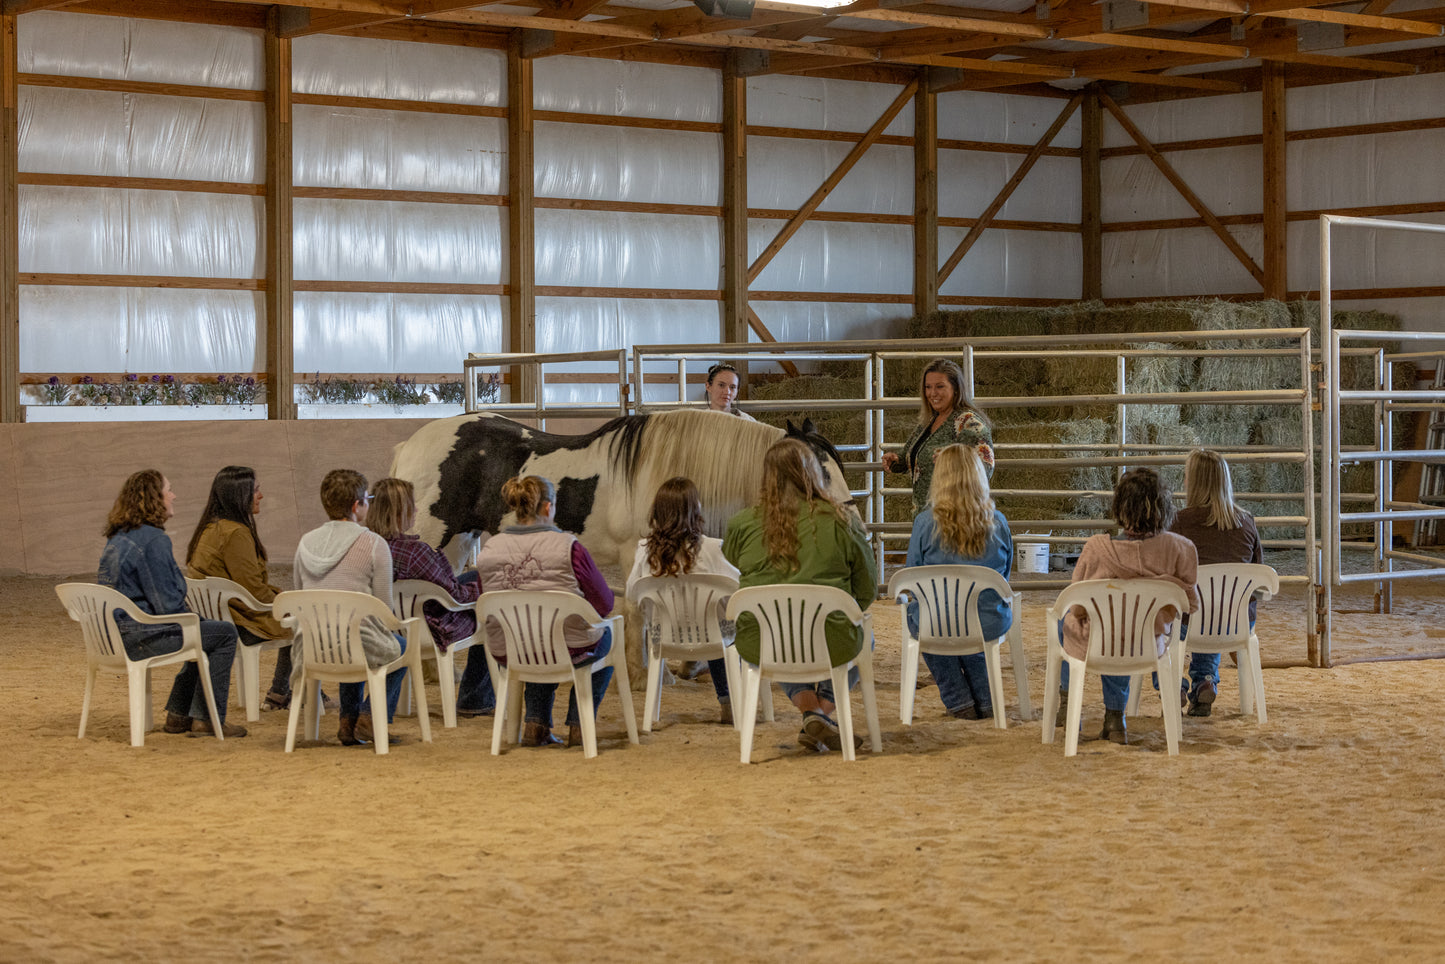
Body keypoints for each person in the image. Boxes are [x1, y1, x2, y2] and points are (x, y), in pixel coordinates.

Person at [723, 438, 878, 753]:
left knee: (780, 635)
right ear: (814, 474)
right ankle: (822, 711)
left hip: (764, 642)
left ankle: (812, 714)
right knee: (864, 637)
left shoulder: (742, 523)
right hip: (832, 640)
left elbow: (732, 559)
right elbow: (867, 590)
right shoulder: (843, 521)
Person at [1056, 467, 1199, 745]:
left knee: (1078, 624)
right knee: (1121, 630)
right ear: (1164, 508)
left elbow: (1077, 606)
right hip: (1149, 642)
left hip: (1100, 642)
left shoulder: (1096, 548)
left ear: (1119, 506)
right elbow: (1189, 604)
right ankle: (1115, 717)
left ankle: (1068, 701)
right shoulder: (1181, 549)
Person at [98, 469, 244, 737]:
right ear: (154, 498)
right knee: (222, 633)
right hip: (141, 636)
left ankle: (179, 715)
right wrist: (194, 618)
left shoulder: (117, 538)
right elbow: (168, 606)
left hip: (112, 636)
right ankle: (208, 718)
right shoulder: (154, 541)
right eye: (169, 490)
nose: (173, 495)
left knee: (202, 631)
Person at [477, 475, 615, 748]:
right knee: (605, 635)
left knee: (535, 639)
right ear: (548, 507)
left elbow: (485, 598)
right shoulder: (569, 547)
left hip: (510, 647)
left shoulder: (489, 548)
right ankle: (579, 725)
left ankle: (535, 723)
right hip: (569, 646)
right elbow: (604, 604)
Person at [293, 469, 408, 746]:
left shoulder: (305, 542)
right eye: (367, 499)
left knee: (350, 634)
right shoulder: (373, 544)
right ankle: (368, 716)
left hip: (311, 645)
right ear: (357, 506)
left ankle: (348, 722)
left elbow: (298, 593)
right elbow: (384, 608)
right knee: (398, 646)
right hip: (355, 641)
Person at [366, 477, 493, 720]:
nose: (416, 510)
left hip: (390, 624)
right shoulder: (417, 553)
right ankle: (475, 698)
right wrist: (481, 592)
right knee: (489, 608)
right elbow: (454, 595)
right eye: (412, 505)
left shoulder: (367, 547)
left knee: (473, 575)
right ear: (401, 511)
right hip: (431, 626)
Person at [904, 445, 1013, 721]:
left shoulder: (924, 523)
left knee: (925, 621)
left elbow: (912, 576)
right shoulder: (998, 523)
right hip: (987, 621)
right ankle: (987, 699)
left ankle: (958, 700)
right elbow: (1005, 574)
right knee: (972, 625)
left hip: (936, 622)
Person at [625, 477, 740, 725]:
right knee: (724, 627)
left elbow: (632, 593)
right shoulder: (712, 548)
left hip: (662, 636)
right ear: (695, 509)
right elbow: (735, 589)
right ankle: (728, 700)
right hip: (711, 637)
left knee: (716, 624)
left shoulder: (644, 550)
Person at [185, 465, 293, 712]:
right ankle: (282, 691)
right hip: (240, 620)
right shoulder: (236, 533)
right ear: (240, 495)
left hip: (219, 616)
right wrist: (287, 601)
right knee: (302, 621)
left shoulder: (211, 528)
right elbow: (253, 589)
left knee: (293, 611)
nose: (260, 496)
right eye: (256, 490)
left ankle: (284, 691)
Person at [1170, 448, 1263, 717]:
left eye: (1187, 476)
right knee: (1215, 609)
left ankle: (1176, 683)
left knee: (1184, 613)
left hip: (1190, 622)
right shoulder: (1247, 522)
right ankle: (1205, 680)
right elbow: (1259, 574)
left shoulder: (1178, 522)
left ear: (1194, 482)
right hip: (1236, 622)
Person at [882, 357, 995, 515]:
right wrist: (897, 459)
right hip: (924, 515)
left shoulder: (969, 423)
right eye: (928, 387)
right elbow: (914, 454)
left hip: (955, 519)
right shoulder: (929, 421)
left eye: (940, 386)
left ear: (956, 388)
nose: (932, 393)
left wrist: (952, 465)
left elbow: (984, 468)